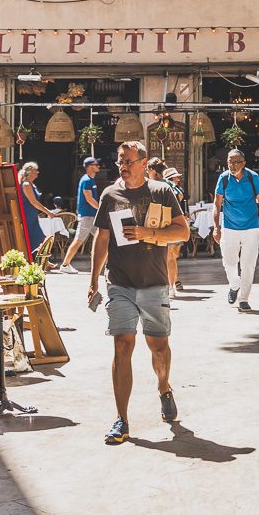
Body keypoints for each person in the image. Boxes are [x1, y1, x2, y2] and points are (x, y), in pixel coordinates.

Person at [90, 140, 189, 445]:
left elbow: (182, 231)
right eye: (120, 161)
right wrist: (94, 278)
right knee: (122, 346)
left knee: (158, 347)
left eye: (129, 161)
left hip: (154, 281)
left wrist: (150, 234)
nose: (123, 166)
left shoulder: (162, 191)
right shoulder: (110, 194)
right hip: (119, 282)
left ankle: (164, 387)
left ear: (144, 163)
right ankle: (122, 419)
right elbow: (102, 238)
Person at [214, 150, 259, 311]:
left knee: (248, 264)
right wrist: (216, 227)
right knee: (229, 261)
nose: (232, 165)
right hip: (229, 227)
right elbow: (217, 205)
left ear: (244, 163)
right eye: (229, 162)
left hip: (251, 227)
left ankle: (243, 299)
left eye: (236, 162)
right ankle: (234, 285)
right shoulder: (224, 178)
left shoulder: (253, 177)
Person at [61, 157, 100, 275]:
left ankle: (109, 263)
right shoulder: (87, 180)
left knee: (103, 239)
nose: (98, 165)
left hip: (92, 216)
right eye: (95, 164)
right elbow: (89, 198)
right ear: (89, 166)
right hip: (87, 216)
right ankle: (65, 265)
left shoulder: (90, 180)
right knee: (79, 240)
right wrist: (101, 209)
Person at [162, 167, 187, 297]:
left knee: (171, 257)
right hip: (175, 224)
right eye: (176, 176)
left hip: (170, 224)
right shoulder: (175, 190)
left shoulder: (171, 189)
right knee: (172, 257)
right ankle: (172, 284)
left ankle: (171, 285)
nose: (178, 178)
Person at [19, 161, 48, 258]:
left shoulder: (31, 184)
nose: (38, 172)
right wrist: (48, 212)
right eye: (36, 170)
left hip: (32, 215)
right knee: (36, 237)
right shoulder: (26, 184)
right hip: (27, 215)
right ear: (30, 172)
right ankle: (40, 260)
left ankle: (43, 261)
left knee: (38, 237)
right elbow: (33, 202)